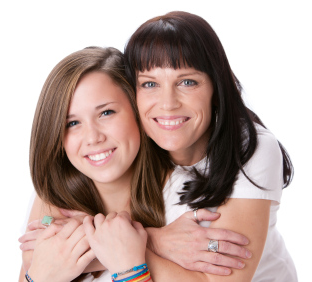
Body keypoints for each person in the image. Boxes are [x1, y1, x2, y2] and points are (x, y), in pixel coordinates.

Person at [18, 46, 252, 282]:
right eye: (72, 123)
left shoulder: (191, 202)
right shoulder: (53, 198)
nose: (93, 137)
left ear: (137, 110)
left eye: (106, 113)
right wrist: (153, 241)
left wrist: (128, 261)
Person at [120, 11, 297, 281]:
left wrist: (130, 247)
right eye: (150, 84)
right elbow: (49, 245)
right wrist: (156, 241)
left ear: (216, 87)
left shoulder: (252, 147)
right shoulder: (124, 147)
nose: (168, 103)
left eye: (187, 82)